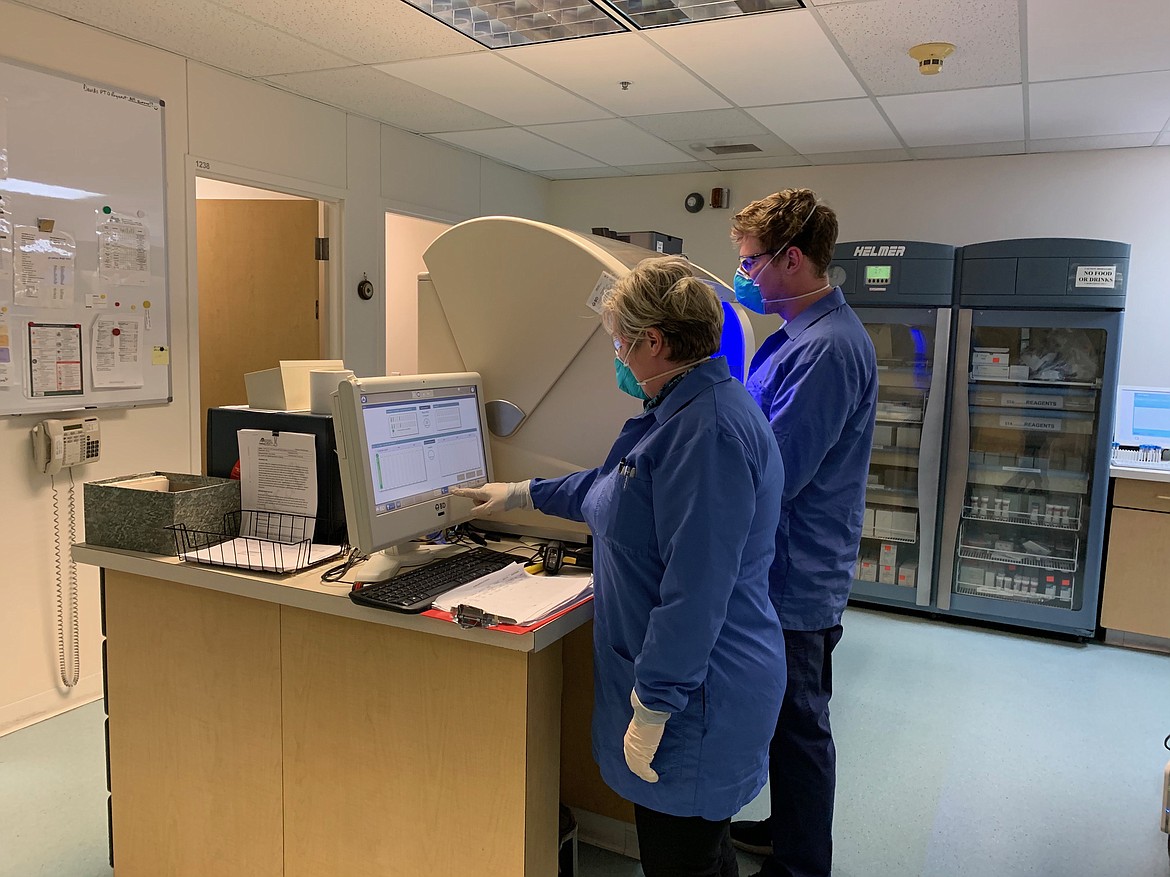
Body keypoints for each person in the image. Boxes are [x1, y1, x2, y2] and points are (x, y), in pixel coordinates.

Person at [453, 256, 786, 877]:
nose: (618, 356)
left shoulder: (706, 433)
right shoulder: (681, 411)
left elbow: (696, 592)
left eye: (619, 342)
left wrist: (655, 706)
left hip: (698, 693)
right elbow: (614, 488)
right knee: (700, 856)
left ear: (653, 342)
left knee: (683, 859)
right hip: (695, 682)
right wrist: (522, 492)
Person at [727, 189, 878, 877]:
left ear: (793, 258)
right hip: (784, 565)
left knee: (800, 725)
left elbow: (775, 473)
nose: (744, 276)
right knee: (785, 723)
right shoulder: (797, 332)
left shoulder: (826, 350)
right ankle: (785, 827)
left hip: (796, 575)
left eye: (751, 263)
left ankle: (801, 864)